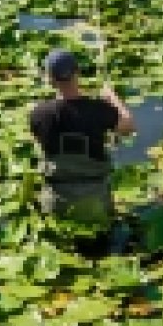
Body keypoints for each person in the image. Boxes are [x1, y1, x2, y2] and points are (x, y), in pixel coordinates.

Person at [29, 48, 136, 225]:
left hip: (57, 205)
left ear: (49, 78)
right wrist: (112, 97)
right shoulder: (98, 109)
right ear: (77, 72)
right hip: (96, 202)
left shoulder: (39, 114)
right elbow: (129, 127)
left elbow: (40, 142)